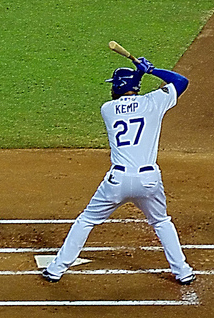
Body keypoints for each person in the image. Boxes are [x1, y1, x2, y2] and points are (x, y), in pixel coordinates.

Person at [41, 57, 196, 285]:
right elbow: (181, 82)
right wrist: (150, 70)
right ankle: (183, 271)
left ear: (117, 86)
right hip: (148, 180)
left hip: (117, 181)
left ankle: (56, 269)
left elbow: (126, 102)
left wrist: (137, 75)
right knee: (162, 221)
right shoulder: (153, 102)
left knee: (87, 220)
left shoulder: (108, 110)